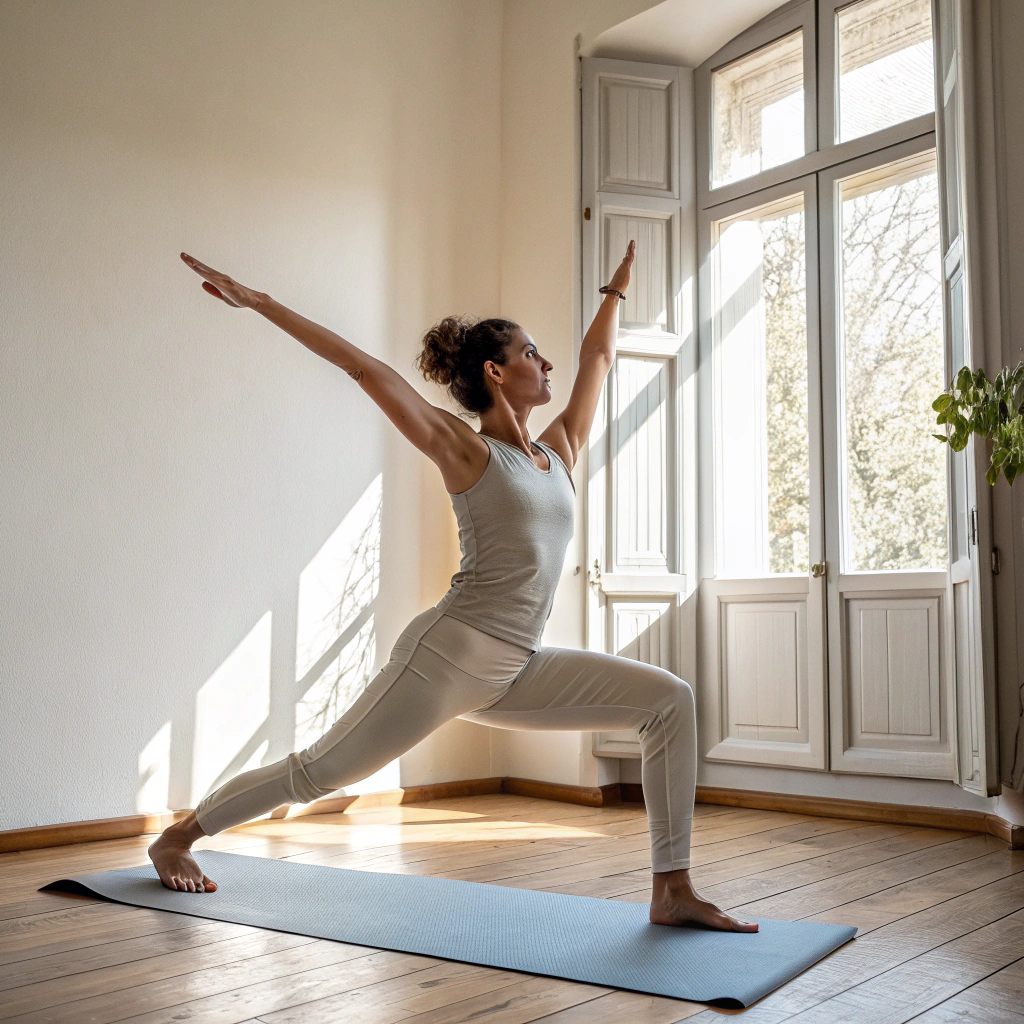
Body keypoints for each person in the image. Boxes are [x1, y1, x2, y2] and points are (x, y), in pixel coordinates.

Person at [147, 242, 758, 933]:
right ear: (496, 372)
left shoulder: (555, 452)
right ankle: (179, 837)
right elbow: (364, 368)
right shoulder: (466, 449)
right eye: (531, 353)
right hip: (448, 658)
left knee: (668, 701)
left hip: (518, 666)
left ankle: (672, 889)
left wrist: (614, 292)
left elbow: (598, 359)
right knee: (319, 773)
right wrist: (259, 302)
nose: (546, 363)